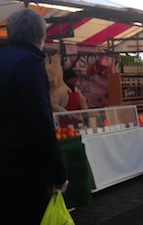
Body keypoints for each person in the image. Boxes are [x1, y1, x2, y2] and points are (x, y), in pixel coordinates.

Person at [0, 8, 69, 225]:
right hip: (23, 167)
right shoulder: (29, 63)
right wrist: (58, 173)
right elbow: (40, 121)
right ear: (41, 37)